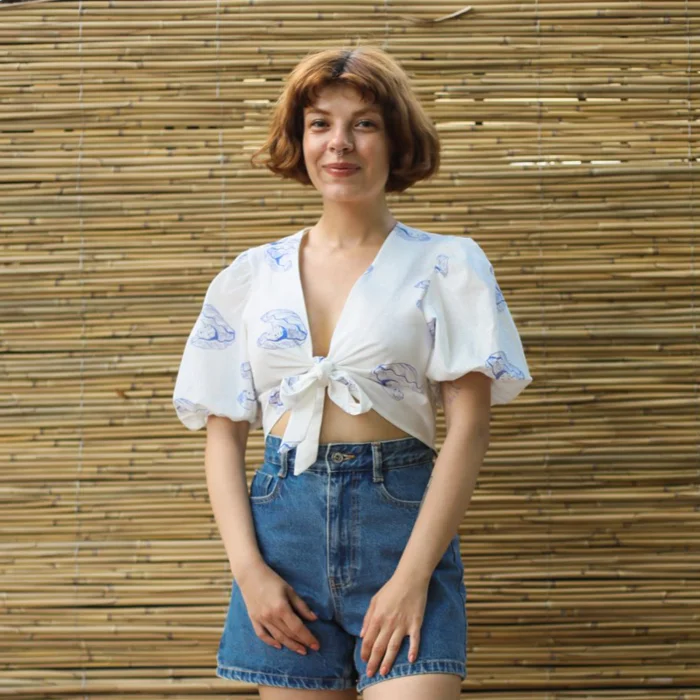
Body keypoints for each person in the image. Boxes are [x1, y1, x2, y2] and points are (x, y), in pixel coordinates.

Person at [172, 44, 533, 698]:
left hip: (403, 530)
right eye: (320, 124)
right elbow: (223, 436)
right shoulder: (249, 276)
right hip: (282, 538)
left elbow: (470, 429)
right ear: (301, 139)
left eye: (363, 123)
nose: (339, 142)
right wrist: (250, 572)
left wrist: (412, 578)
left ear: (396, 141)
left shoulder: (448, 265)